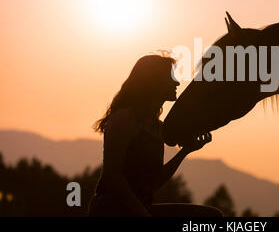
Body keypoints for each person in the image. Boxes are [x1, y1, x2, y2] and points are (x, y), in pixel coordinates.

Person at [88, 54, 222, 217]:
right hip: (111, 210)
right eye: (171, 77)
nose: (177, 82)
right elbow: (112, 175)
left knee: (211, 216)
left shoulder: (157, 127)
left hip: (141, 209)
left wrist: (185, 151)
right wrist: (142, 213)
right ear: (154, 81)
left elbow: (153, 183)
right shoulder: (124, 119)